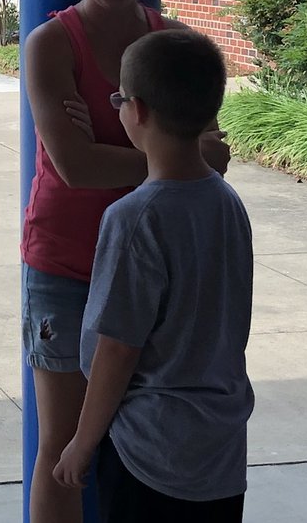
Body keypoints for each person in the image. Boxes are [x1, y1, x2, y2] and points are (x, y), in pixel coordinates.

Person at [21, 0, 230, 523]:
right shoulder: (51, 44)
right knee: (64, 440)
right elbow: (76, 169)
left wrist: (108, 149)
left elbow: (214, 154)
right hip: (68, 264)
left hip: (155, 263)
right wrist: (169, 153)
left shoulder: (175, 45)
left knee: (138, 436)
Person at [51, 29, 254, 521]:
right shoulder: (227, 203)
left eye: (119, 100)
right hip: (220, 451)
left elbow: (118, 347)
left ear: (136, 111)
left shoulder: (135, 218)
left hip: (149, 450)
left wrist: (82, 441)